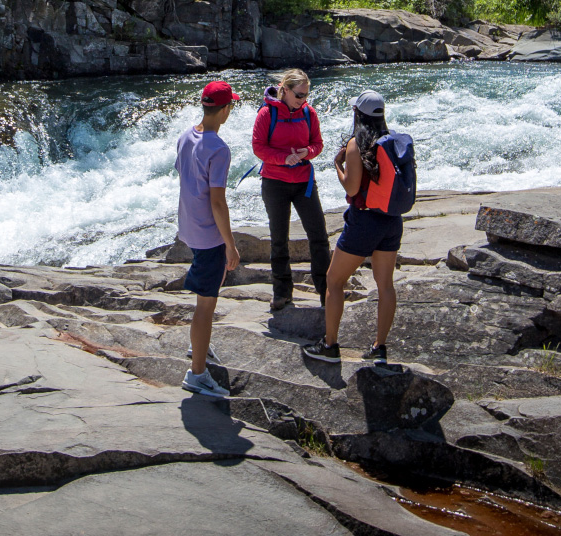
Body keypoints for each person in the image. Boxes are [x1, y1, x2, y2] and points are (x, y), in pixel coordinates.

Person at [304, 90, 416, 368]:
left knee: (334, 281)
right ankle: (379, 348)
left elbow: (352, 188)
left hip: (364, 222)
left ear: (357, 114)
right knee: (385, 284)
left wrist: (338, 165)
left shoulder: (357, 145)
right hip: (391, 220)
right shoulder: (391, 142)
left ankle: (329, 346)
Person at [176, 79, 243, 398]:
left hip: (189, 228)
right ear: (225, 110)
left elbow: (186, 180)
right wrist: (229, 243)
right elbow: (217, 202)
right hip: (208, 236)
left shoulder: (186, 136)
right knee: (206, 305)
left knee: (205, 300)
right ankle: (197, 373)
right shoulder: (219, 148)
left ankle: (200, 346)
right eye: (232, 106)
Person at [251, 68, 330, 313]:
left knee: (318, 236)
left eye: (306, 95)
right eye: (299, 95)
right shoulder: (266, 114)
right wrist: (283, 159)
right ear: (284, 90)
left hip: (303, 182)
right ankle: (281, 292)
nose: (303, 100)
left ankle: (326, 291)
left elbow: (318, 144)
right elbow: (258, 148)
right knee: (279, 239)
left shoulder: (309, 113)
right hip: (275, 182)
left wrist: (309, 152)